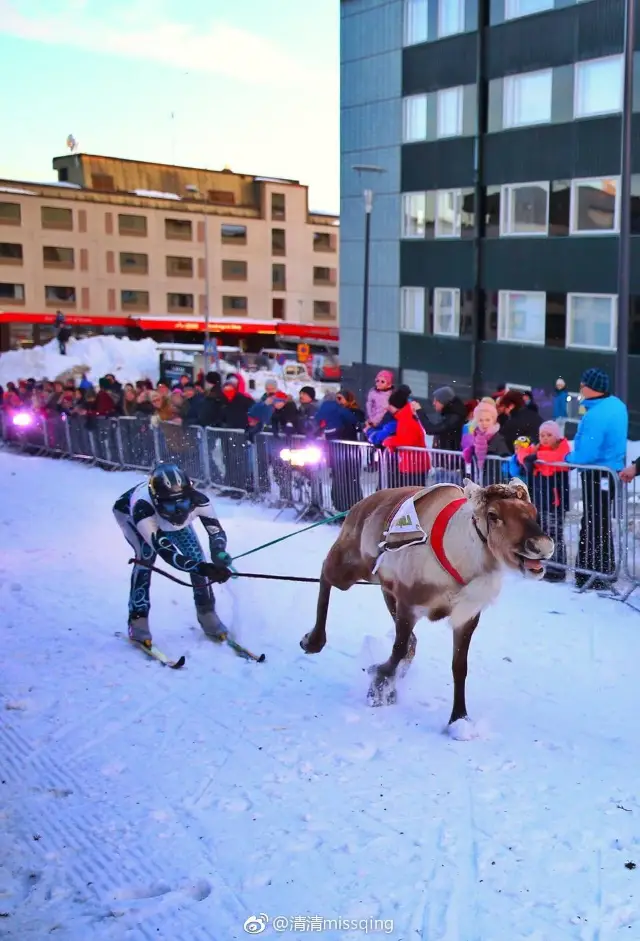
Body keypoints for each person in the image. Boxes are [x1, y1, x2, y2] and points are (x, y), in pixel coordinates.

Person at [112, 462, 233, 646]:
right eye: (170, 504)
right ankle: (138, 617)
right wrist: (203, 568)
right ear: (157, 500)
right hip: (130, 514)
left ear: (190, 496)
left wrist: (218, 555)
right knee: (145, 558)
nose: (178, 511)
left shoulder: (199, 500)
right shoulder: (143, 509)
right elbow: (167, 553)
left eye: (183, 502)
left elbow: (216, 532)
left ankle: (206, 611)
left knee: (197, 556)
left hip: (160, 516)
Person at [566, 368, 628, 590]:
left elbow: (587, 453)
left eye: (583, 384)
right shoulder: (617, 406)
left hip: (596, 472)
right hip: (610, 471)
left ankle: (590, 572)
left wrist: (569, 457)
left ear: (592, 387)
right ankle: (603, 569)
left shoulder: (596, 414)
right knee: (600, 521)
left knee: (592, 522)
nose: (580, 388)